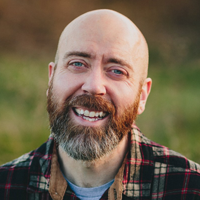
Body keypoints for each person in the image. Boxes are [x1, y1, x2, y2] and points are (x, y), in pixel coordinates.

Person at [0, 9, 200, 200]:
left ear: (142, 96)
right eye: (77, 64)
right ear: (51, 79)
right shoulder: (6, 186)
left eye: (117, 71)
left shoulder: (190, 188)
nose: (94, 86)